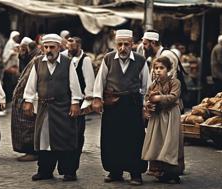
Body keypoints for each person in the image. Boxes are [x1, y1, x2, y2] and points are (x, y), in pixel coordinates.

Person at [92, 29, 150, 185]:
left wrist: (145, 107)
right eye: (120, 44)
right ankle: (115, 171)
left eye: (126, 44)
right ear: (115, 45)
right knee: (112, 138)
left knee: (134, 139)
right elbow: (100, 80)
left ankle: (135, 173)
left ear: (132, 44)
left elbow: (146, 86)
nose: (123, 48)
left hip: (132, 104)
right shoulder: (108, 59)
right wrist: (97, 99)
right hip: (113, 104)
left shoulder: (140, 60)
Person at [23, 34, 82, 181]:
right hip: (44, 108)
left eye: (52, 47)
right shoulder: (37, 62)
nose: (49, 50)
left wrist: (75, 103)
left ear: (59, 47)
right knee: (44, 140)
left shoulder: (68, 63)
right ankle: (45, 171)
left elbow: (74, 85)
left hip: (63, 108)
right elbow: (31, 83)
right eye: (46, 47)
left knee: (64, 139)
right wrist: (28, 100)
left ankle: (68, 171)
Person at [142, 56, 182, 184]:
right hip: (157, 117)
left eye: (161, 68)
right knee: (158, 142)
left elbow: (173, 97)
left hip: (170, 116)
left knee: (170, 142)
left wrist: (158, 98)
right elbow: (147, 98)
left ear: (168, 69)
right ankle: (158, 170)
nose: (158, 70)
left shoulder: (175, 82)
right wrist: (148, 104)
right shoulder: (153, 84)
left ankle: (173, 172)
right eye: (156, 68)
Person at [61, 36, 95, 172]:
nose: (69, 48)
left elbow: (89, 81)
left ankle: (72, 168)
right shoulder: (63, 57)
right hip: (63, 101)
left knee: (77, 134)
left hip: (79, 102)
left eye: (72, 45)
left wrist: (87, 102)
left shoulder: (85, 60)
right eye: (68, 45)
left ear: (79, 45)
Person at [11, 41, 42, 162]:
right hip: (24, 97)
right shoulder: (30, 57)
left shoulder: (36, 59)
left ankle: (32, 151)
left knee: (28, 125)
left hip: (30, 97)